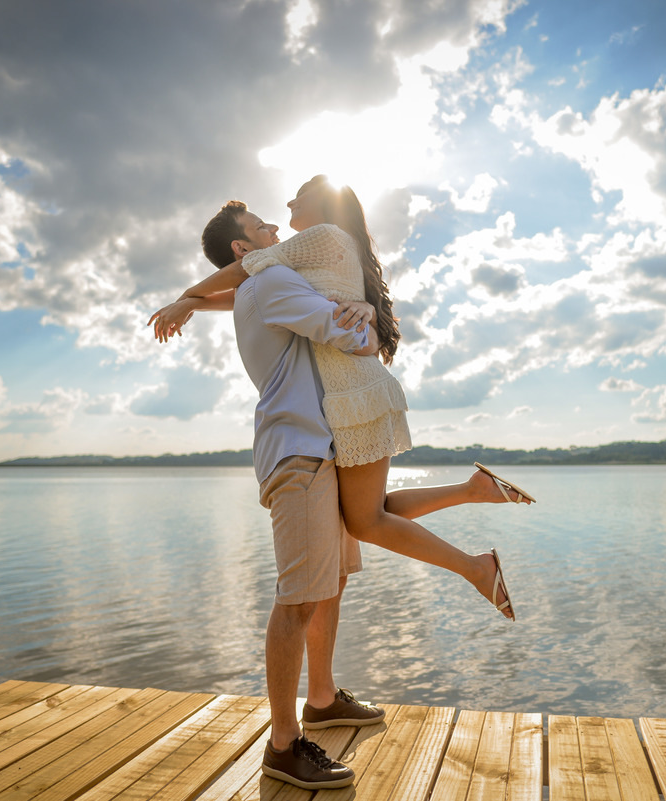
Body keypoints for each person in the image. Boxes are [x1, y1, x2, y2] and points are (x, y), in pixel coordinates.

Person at [152, 199, 535, 790]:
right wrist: (353, 314)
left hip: (320, 446)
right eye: (261, 227)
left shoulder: (268, 279)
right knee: (299, 598)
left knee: (337, 568)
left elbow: (246, 295)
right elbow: (349, 338)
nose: (275, 226)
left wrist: (191, 300)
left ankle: (323, 699)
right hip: (300, 453)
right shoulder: (273, 277)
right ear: (243, 248)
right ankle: (282, 746)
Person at [151, 177, 534, 623]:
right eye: (265, 219)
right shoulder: (314, 251)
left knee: (366, 521)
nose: (287, 204)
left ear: (328, 204)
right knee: (366, 514)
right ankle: (476, 493)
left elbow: (244, 273)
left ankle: (475, 565)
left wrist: (184, 300)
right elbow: (245, 293)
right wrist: (195, 305)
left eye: (301, 194)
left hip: (354, 390)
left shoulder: (322, 236)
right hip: (351, 394)